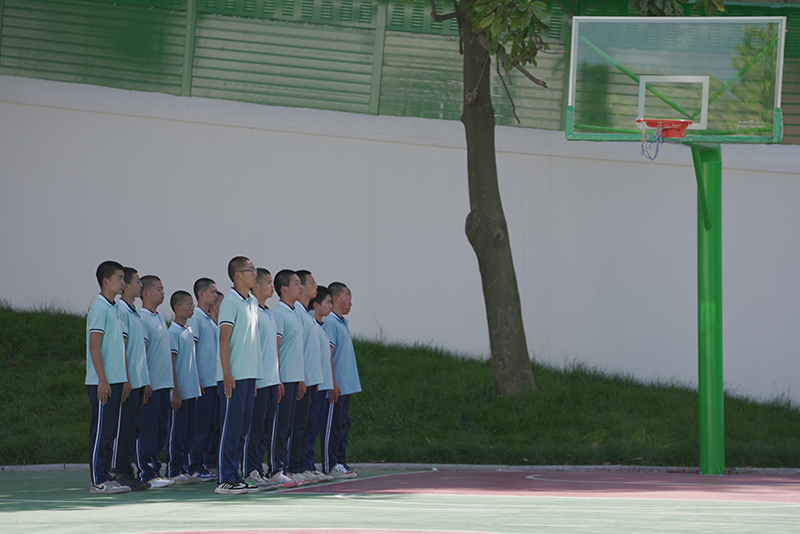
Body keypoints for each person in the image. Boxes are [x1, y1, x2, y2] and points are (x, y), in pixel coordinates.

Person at [215, 256, 263, 494]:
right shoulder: (230, 302)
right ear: (237, 275)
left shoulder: (252, 301)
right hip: (233, 376)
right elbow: (224, 339)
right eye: (250, 270)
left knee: (242, 429)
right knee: (230, 429)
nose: (255, 274)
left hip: (248, 375)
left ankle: (235, 475)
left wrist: (253, 377)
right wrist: (227, 373)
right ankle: (225, 479)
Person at [86, 260, 131, 494]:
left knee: (110, 431)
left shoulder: (116, 309)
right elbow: (95, 346)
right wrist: (102, 380)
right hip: (102, 382)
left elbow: (119, 347)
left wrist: (123, 379)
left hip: (115, 380)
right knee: (101, 431)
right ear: (106, 281)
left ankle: (106, 476)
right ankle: (98, 480)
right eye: (119, 278)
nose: (123, 283)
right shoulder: (100, 308)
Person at [242, 268, 288, 490]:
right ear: (256, 286)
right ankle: (249, 471)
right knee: (255, 429)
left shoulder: (269, 313)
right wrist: (253, 379)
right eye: (268, 283)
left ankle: (259, 470)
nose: (272, 287)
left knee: (266, 429)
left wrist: (277, 378)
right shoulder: (252, 312)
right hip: (258, 381)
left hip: (271, 380)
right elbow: (251, 347)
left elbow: (273, 350)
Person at [110, 267, 151, 491]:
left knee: (134, 428)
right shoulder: (122, 312)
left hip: (139, 380)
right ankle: (120, 471)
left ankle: (128, 471)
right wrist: (125, 378)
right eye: (137, 281)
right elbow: (122, 347)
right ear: (125, 285)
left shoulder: (135, 313)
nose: (140, 285)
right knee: (124, 428)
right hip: (129, 381)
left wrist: (144, 380)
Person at [136, 275, 176, 488]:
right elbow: (141, 352)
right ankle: (146, 473)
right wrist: (146, 381)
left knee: (161, 431)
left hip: (164, 385)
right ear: (146, 293)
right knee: (148, 430)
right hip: (151, 386)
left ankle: (155, 471)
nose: (163, 292)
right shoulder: (142, 318)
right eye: (158, 289)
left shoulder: (159, 318)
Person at [269, 269, 306, 487]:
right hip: (283, 379)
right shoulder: (280, 314)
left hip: (294, 378)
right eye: (296, 283)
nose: (301, 287)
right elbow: (276, 348)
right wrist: (279, 378)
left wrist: (299, 379)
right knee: (279, 427)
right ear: (284, 289)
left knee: (289, 425)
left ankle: (283, 468)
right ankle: (275, 470)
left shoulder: (295, 312)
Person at [287, 270, 324, 484]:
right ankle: (294, 466)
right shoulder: (297, 314)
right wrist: (301, 378)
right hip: (301, 378)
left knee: (308, 425)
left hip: (311, 379)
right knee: (298, 426)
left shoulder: (307, 314)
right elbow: (296, 349)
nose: (313, 286)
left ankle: (303, 465)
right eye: (311, 282)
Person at [322, 282, 360, 479]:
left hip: (346, 385)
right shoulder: (330, 322)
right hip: (337, 386)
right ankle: (330, 464)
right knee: (333, 426)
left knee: (343, 425)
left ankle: (340, 461)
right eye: (347, 296)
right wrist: (333, 382)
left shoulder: (342, 322)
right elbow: (328, 354)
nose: (350, 301)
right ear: (335, 298)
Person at [166, 290, 202, 484]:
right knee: (177, 432)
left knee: (189, 432)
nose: (192, 308)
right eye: (189, 305)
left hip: (191, 391)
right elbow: (172, 363)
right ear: (177, 308)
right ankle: (173, 470)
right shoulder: (173, 332)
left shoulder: (189, 331)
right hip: (179, 392)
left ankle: (184, 468)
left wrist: (195, 386)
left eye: (192, 305)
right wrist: (176, 391)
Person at [187, 278, 219, 482]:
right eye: (212, 292)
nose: (216, 295)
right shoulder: (196, 318)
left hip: (213, 383)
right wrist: (196, 378)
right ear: (201, 294)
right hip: (203, 384)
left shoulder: (209, 320)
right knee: (199, 428)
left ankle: (206, 463)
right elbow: (192, 350)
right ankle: (194, 466)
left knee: (210, 427)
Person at [306, 285, 338, 480]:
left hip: (322, 384)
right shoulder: (309, 323)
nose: (330, 306)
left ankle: (309, 465)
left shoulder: (321, 326)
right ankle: (304, 465)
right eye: (327, 302)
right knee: (307, 427)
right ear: (316, 305)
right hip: (313, 384)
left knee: (315, 427)